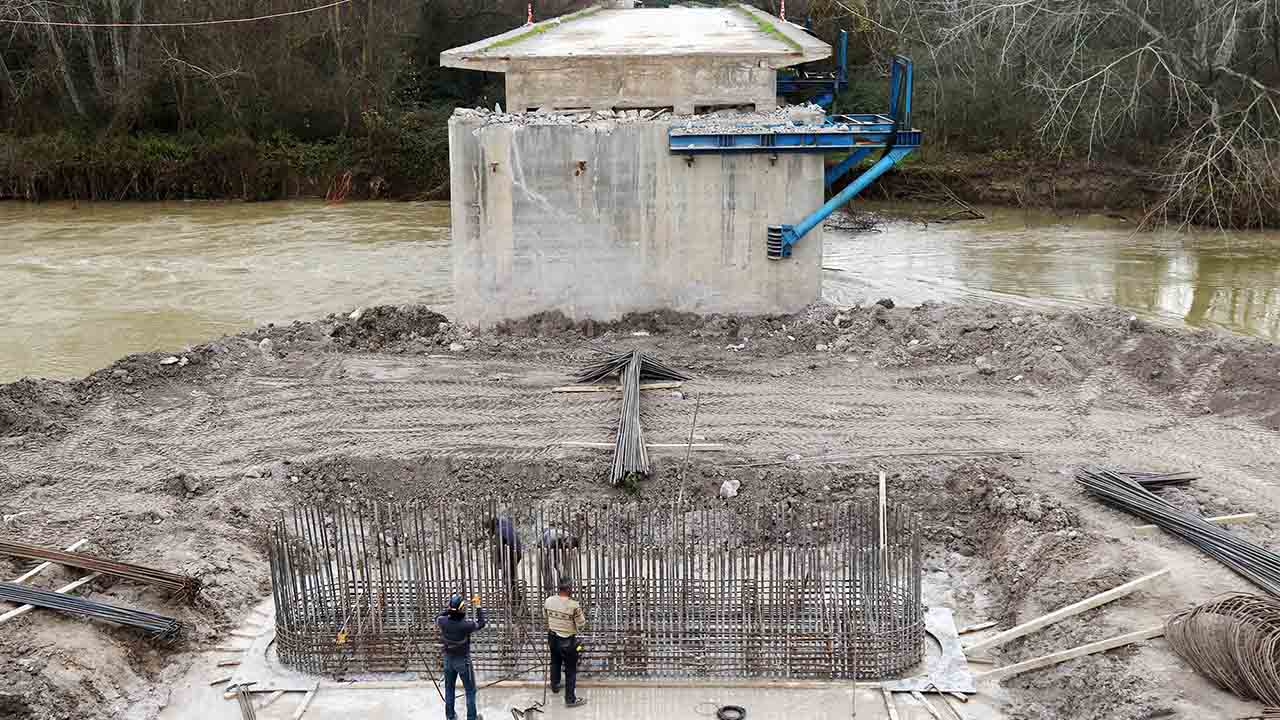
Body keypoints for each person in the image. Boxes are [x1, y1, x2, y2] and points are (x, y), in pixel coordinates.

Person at [437, 593, 486, 720]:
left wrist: (450, 609)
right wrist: (478, 605)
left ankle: (450, 717)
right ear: (462, 609)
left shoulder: (443, 622)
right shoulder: (466, 625)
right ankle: (472, 718)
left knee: (449, 689)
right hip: (462, 661)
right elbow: (481, 623)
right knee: (470, 691)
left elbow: (439, 616)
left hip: (448, 660)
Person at [544, 577, 587, 708]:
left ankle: (555, 685)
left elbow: (546, 617)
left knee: (555, 662)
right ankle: (570, 699)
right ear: (568, 589)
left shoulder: (549, 601)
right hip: (568, 642)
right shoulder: (574, 605)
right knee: (570, 670)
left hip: (552, 638)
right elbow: (581, 624)